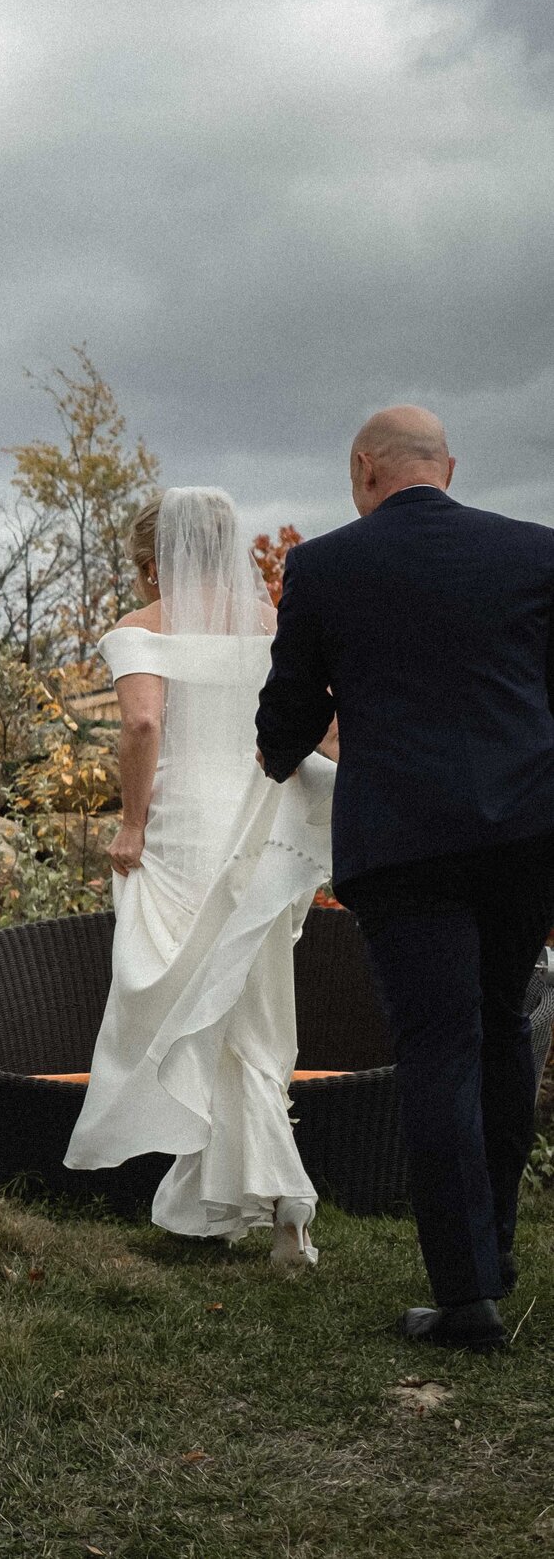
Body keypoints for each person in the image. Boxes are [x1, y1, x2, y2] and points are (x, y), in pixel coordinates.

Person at [258, 405, 554, 1352]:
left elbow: (282, 731)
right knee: (504, 1023)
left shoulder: (325, 568)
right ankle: (495, 1252)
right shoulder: (536, 554)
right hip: (525, 836)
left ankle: (467, 1297)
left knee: (438, 1047)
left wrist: (330, 715)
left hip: (405, 844)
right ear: (449, 468)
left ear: (364, 469)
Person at [66, 487, 337, 1268]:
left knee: (189, 994)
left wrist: (131, 822)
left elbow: (144, 722)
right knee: (246, 998)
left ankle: (256, 1189)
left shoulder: (139, 629)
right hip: (257, 820)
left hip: (183, 827)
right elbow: (319, 719)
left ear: (152, 559)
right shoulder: (269, 625)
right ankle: (261, 1198)